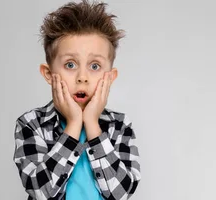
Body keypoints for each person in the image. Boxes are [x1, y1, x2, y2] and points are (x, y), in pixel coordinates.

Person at [13, 1, 141, 199]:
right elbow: (41, 192)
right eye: (70, 64)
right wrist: (73, 125)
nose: (83, 77)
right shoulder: (31, 124)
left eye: (95, 66)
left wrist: (91, 124)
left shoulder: (120, 126)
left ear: (110, 77)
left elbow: (120, 193)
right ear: (48, 74)